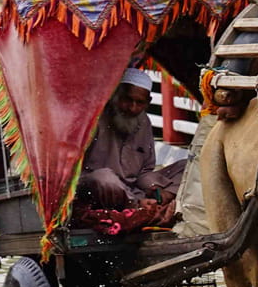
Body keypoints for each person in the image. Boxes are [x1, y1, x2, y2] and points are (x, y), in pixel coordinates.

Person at [78, 68, 185, 212]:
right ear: (116, 95)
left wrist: (155, 187)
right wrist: (136, 200)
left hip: (133, 188)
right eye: (127, 100)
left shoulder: (144, 121)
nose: (133, 108)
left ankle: (163, 198)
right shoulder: (95, 118)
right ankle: (138, 205)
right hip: (99, 186)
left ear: (148, 102)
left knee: (187, 166)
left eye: (140, 102)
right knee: (104, 178)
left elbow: (145, 171)